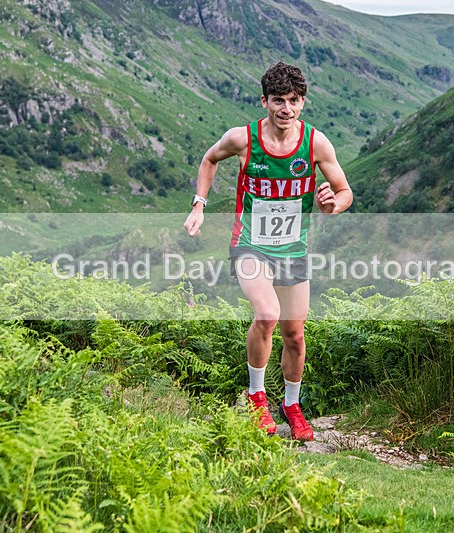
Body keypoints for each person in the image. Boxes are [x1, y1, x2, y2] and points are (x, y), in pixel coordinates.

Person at [184, 61, 352, 441]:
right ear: (264, 101)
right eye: (278, 100)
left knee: (295, 334)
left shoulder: (316, 143)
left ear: (302, 102)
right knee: (267, 314)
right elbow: (210, 159)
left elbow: (344, 192)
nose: (285, 109)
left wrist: (332, 205)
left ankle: (291, 405)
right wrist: (199, 204)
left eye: (293, 101)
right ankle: (256, 398)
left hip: (293, 249)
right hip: (250, 245)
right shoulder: (242, 139)